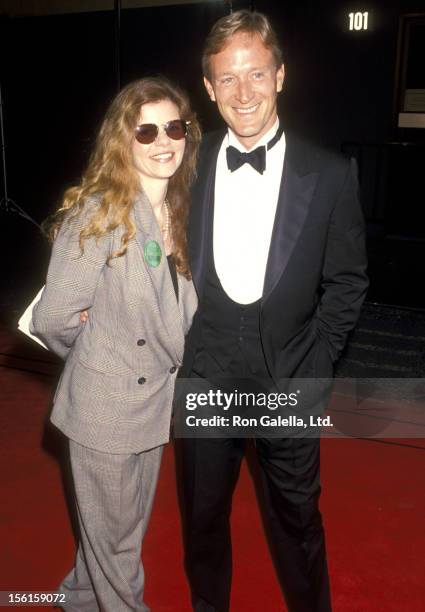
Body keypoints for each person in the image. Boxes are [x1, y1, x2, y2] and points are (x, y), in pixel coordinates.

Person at [177, 10, 369, 612]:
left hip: (288, 379)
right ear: (209, 88)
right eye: (227, 79)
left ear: (280, 75)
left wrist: (316, 364)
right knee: (202, 520)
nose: (243, 93)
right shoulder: (186, 165)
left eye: (256, 74)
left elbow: (348, 283)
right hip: (205, 375)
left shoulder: (332, 174)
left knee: (296, 522)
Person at [30, 76, 201, 611]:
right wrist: (100, 359)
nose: (162, 140)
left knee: (115, 533)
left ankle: (78, 599)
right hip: (106, 408)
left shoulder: (182, 210)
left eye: (173, 127)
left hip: (153, 404)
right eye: (144, 131)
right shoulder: (101, 212)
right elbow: (54, 317)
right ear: (121, 141)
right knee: (120, 546)